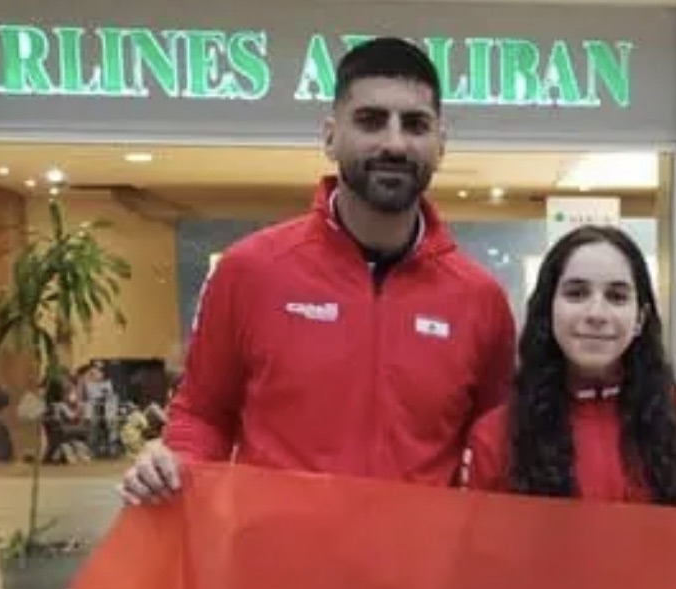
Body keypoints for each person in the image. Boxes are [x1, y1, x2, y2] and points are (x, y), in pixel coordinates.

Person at [119, 37, 515, 505]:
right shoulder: (250, 271)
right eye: (370, 121)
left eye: (415, 124)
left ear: (440, 145)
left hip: (420, 554)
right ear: (330, 136)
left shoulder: (480, 300)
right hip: (276, 550)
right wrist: (172, 464)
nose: (394, 143)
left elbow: (499, 445)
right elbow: (203, 415)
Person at [460, 225, 676, 509]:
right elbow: (475, 537)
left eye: (617, 297)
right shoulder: (495, 436)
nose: (596, 314)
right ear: (548, 309)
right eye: (576, 293)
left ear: (640, 318)